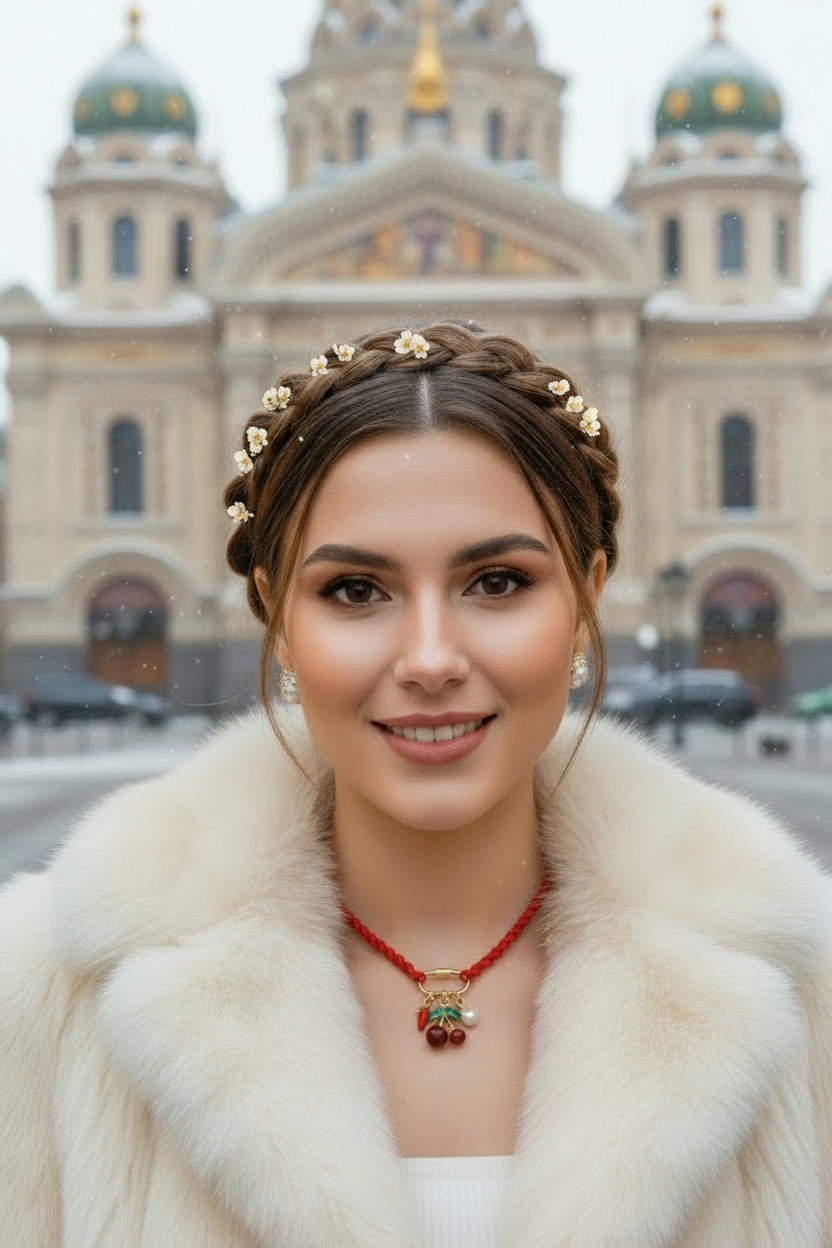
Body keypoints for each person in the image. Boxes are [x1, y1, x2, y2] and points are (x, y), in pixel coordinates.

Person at [2, 321, 832, 1248]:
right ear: (275, 615)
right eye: (356, 591)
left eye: (498, 582)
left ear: (587, 597)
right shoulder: (43, 1000)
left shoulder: (802, 995)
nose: (431, 659)